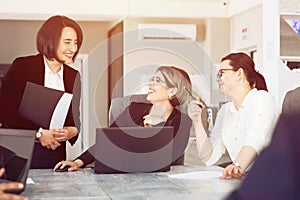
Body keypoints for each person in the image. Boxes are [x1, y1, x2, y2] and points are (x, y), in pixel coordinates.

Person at [54, 66, 192, 172]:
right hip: (124, 177)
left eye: (158, 81)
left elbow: (170, 157)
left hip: (161, 182)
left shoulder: (183, 122)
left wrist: (157, 126)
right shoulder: (134, 109)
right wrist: (78, 162)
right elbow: (107, 140)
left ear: (172, 91)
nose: (151, 83)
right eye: (152, 79)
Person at [0, 15, 83, 169]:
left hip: (54, 156)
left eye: (76, 42)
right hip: (19, 153)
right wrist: (39, 133)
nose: (73, 49)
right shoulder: (23, 66)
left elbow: (73, 118)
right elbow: (4, 111)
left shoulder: (74, 76)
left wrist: (73, 130)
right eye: (67, 42)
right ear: (50, 40)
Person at [188, 52, 278, 179]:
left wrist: (237, 165)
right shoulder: (225, 111)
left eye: (222, 73)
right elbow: (209, 157)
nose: (218, 79)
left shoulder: (262, 98)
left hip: (270, 179)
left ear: (239, 73)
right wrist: (197, 121)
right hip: (244, 180)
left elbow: (256, 137)